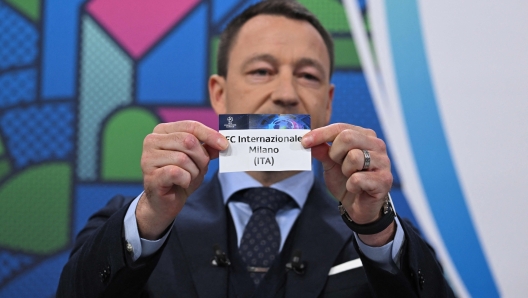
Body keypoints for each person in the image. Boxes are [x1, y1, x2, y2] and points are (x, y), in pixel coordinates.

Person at [57, 1, 454, 297]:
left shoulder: (382, 235)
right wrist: (151, 215)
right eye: (261, 71)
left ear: (328, 101)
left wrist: (374, 227)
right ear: (219, 92)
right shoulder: (136, 222)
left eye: (308, 75)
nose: (285, 94)